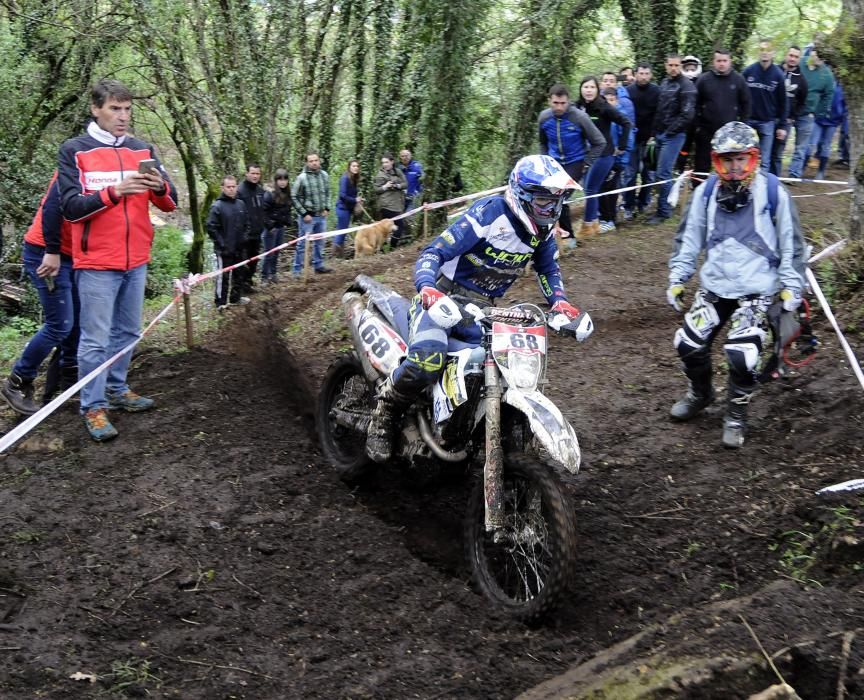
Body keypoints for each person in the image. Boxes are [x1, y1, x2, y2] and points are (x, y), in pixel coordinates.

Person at [365, 154, 594, 463]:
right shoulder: (489, 214)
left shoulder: (541, 232)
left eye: (556, 203)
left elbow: (548, 270)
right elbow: (433, 251)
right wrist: (429, 289)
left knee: (501, 367)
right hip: (440, 299)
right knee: (428, 358)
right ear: (523, 196)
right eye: (543, 202)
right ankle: (385, 411)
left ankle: (468, 430)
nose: (550, 210)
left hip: (482, 310)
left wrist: (560, 302)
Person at [666, 121, 804, 448]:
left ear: (753, 157)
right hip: (715, 287)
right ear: (717, 160)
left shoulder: (773, 192)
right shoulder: (704, 193)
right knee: (687, 344)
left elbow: (792, 243)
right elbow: (688, 238)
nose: (734, 166)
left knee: (741, 355)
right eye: (727, 159)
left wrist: (790, 287)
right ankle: (700, 394)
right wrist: (678, 278)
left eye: (741, 158)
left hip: (757, 291)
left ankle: (736, 414)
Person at [58, 78, 178, 441]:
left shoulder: (142, 149)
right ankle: (92, 407)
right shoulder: (74, 151)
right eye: (115, 109)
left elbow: (170, 202)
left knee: (127, 332)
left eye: (127, 110)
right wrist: (114, 192)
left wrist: (159, 187)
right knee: (94, 340)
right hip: (96, 262)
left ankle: (117, 388)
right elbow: (70, 208)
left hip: (136, 258)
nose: (123, 116)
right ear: (96, 109)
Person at [1, 174, 78, 416]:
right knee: (60, 324)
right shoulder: (76, 162)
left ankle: (69, 384)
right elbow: (52, 208)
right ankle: (17, 382)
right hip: (46, 252)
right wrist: (51, 250)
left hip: (77, 254)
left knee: (78, 322)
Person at [537, 83, 605, 240]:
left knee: (559, 196)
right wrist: (545, 160)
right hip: (554, 164)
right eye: (555, 103)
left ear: (568, 101)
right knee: (550, 199)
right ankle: (557, 237)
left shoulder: (580, 117)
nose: (559, 107)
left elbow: (599, 142)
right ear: (549, 101)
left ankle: (568, 239)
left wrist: (586, 163)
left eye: (563, 103)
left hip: (575, 163)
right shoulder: (544, 117)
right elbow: (542, 142)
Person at [577, 78, 632, 236]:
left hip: (604, 155)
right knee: (589, 189)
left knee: (591, 190)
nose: (588, 90)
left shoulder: (604, 107)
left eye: (592, 87)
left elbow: (626, 122)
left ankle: (588, 227)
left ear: (597, 89)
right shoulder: (578, 107)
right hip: (585, 154)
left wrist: (621, 146)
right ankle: (593, 223)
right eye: (585, 87)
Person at [647, 54, 696, 224]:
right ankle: (663, 205)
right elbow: (659, 110)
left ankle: (663, 212)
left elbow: (687, 114)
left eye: (676, 65)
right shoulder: (665, 82)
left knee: (663, 173)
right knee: (659, 172)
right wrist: (654, 133)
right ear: (666, 65)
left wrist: (669, 131)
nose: (673, 68)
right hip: (661, 133)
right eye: (671, 65)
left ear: (680, 65)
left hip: (675, 135)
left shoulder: (687, 86)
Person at [694, 49, 751, 176]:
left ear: (730, 61)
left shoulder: (739, 80)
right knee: (702, 165)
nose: (722, 64)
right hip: (706, 132)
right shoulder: (703, 80)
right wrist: (697, 126)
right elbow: (695, 104)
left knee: (727, 166)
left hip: (730, 134)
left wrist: (742, 126)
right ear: (714, 61)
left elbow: (746, 104)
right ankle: (699, 191)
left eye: (724, 61)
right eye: (719, 61)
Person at [788, 46, 835, 178]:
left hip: (807, 114)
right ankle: (773, 173)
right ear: (812, 53)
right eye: (817, 55)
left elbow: (828, 95)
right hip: (789, 110)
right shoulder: (800, 63)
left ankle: (794, 174)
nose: (819, 58)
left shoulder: (826, 74)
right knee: (780, 141)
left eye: (822, 57)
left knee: (801, 146)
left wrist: (817, 112)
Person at [742, 41, 788, 174]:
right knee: (745, 154)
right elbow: (739, 94)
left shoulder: (778, 75)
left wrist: (782, 126)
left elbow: (784, 102)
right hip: (749, 120)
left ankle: (763, 187)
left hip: (768, 121)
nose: (765, 52)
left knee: (765, 160)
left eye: (768, 50)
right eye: (762, 49)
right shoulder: (748, 71)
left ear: (773, 53)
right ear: (758, 52)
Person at [207, 176, 251, 307]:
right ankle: (220, 302)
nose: (231, 189)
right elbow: (211, 227)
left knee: (239, 274)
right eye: (228, 187)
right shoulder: (217, 206)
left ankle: (235, 298)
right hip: (224, 249)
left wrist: (245, 238)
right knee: (223, 277)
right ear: (223, 188)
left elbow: (247, 223)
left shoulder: (241, 204)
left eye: (233, 186)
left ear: (237, 187)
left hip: (239, 247)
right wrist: (222, 244)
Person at [624, 62, 661, 219]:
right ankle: (628, 206)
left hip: (650, 139)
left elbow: (660, 114)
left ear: (651, 75)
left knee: (649, 174)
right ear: (636, 74)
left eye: (647, 74)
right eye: (641, 73)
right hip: (631, 139)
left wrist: (654, 135)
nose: (644, 77)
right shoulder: (627, 91)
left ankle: (643, 202)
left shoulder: (657, 91)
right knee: (630, 174)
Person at [598, 89, 634, 232]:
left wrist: (619, 160)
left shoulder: (621, 117)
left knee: (609, 189)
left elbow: (628, 141)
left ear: (617, 100)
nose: (610, 103)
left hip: (616, 161)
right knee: (602, 188)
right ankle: (605, 218)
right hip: (603, 158)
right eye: (607, 100)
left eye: (612, 100)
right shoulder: (602, 115)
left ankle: (610, 219)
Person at [290, 152, 332, 275]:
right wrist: (304, 213)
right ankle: (297, 270)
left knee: (320, 242)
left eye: (316, 160)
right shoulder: (301, 178)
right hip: (307, 217)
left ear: (319, 161)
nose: (314, 163)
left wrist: (327, 208)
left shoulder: (324, 175)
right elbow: (294, 196)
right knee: (302, 244)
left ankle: (318, 265)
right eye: (311, 161)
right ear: (307, 163)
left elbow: (328, 193)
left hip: (321, 215)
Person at [770, 45, 809, 177]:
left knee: (777, 153)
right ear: (786, 55)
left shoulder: (801, 80)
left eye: (796, 57)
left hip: (785, 121)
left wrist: (792, 117)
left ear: (799, 59)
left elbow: (802, 102)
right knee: (763, 151)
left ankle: (774, 181)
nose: (792, 59)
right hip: (769, 118)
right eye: (791, 55)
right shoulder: (774, 71)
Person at [806, 78, 846, 180]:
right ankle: (801, 168)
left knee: (826, 145)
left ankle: (821, 171)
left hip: (833, 121)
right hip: (819, 118)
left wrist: (840, 118)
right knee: (811, 143)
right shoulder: (823, 82)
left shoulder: (844, 87)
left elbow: (845, 105)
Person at [236, 164, 265, 292]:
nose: (255, 176)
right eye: (252, 173)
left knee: (254, 260)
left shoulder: (260, 190)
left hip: (257, 232)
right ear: (247, 174)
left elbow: (263, 210)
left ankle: (248, 282)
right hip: (244, 234)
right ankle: (240, 286)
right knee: (243, 261)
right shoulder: (240, 191)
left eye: (257, 174)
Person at [260, 168, 292, 281]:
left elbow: (287, 209)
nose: (282, 182)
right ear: (276, 181)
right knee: (269, 253)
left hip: (280, 226)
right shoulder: (269, 194)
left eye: (285, 179)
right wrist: (270, 226)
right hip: (270, 228)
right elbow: (263, 212)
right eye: (280, 180)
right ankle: (264, 276)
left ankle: (273, 274)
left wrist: (287, 222)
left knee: (277, 251)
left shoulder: (287, 193)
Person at [373, 152, 408, 248]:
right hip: (386, 205)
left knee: (390, 228)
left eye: (387, 162)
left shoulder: (398, 171)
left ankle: (385, 247)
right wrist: (385, 186)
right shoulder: (380, 175)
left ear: (392, 162)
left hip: (398, 204)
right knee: (399, 226)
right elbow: (376, 190)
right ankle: (391, 247)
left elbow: (405, 183)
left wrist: (397, 186)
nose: (385, 164)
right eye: (383, 162)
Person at [334, 160, 363, 258]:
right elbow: (342, 195)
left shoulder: (354, 178)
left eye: (357, 166)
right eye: (353, 166)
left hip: (348, 209)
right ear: (349, 167)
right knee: (341, 232)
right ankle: (337, 257)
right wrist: (354, 200)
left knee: (343, 231)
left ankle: (339, 256)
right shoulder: (345, 178)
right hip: (342, 209)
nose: (356, 168)